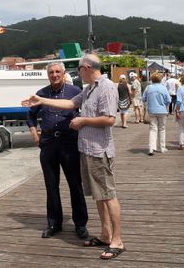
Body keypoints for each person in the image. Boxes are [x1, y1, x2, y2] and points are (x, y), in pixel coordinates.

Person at [22, 54, 125, 260]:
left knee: (108, 195)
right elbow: (69, 104)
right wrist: (41, 99)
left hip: (99, 150)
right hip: (86, 149)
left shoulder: (106, 87)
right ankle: (105, 234)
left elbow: (110, 119)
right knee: (98, 195)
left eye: (78, 69)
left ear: (86, 68)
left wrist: (82, 121)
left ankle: (117, 240)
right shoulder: (88, 90)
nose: (76, 73)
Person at [26, 62, 89, 240]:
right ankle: (54, 223)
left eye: (57, 72)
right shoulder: (41, 93)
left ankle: (80, 223)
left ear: (63, 73)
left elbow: (85, 111)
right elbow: (30, 114)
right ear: (48, 75)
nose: (54, 75)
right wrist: (33, 132)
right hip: (48, 142)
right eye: (51, 72)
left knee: (75, 183)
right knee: (51, 184)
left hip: (69, 141)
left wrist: (80, 121)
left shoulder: (74, 91)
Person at [142, 72, 171, 155]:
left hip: (151, 111)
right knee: (162, 129)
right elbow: (168, 100)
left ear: (152, 79)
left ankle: (151, 148)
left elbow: (143, 99)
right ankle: (162, 148)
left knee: (153, 129)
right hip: (162, 111)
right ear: (160, 79)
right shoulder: (163, 88)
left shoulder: (148, 87)